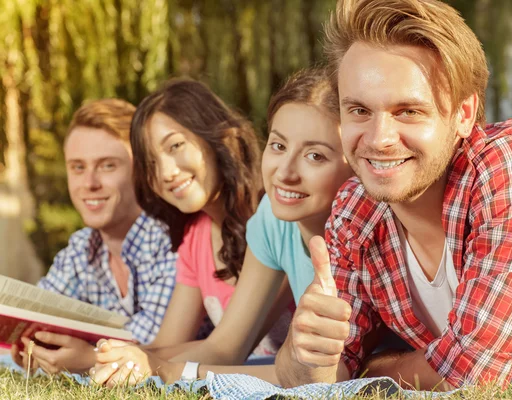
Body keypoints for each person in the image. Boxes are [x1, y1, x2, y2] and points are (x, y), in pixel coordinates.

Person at [276, 0, 512, 390]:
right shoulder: (353, 210)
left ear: (463, 114)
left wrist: (373, 369)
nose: (379, 140)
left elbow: (475, 375)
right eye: (359, 110)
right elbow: (316, 380)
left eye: (408, 111)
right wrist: (306, 351)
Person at [90, 68, 354, 386]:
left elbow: (329, 376)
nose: (285, 173)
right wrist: (133, 362)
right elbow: (225, 346)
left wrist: (171, 369)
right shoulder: (270, 220)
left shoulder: (346, 228)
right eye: (278, 146)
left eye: (314, 155)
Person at [11, 99, 178, 375]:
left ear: (141, 171)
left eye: (107, 166)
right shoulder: (82, 247)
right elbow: (37, 310)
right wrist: (33, 344)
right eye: (77, 167)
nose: (89, 183)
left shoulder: (170, 239)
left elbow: (154, 346)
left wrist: (89, 356)